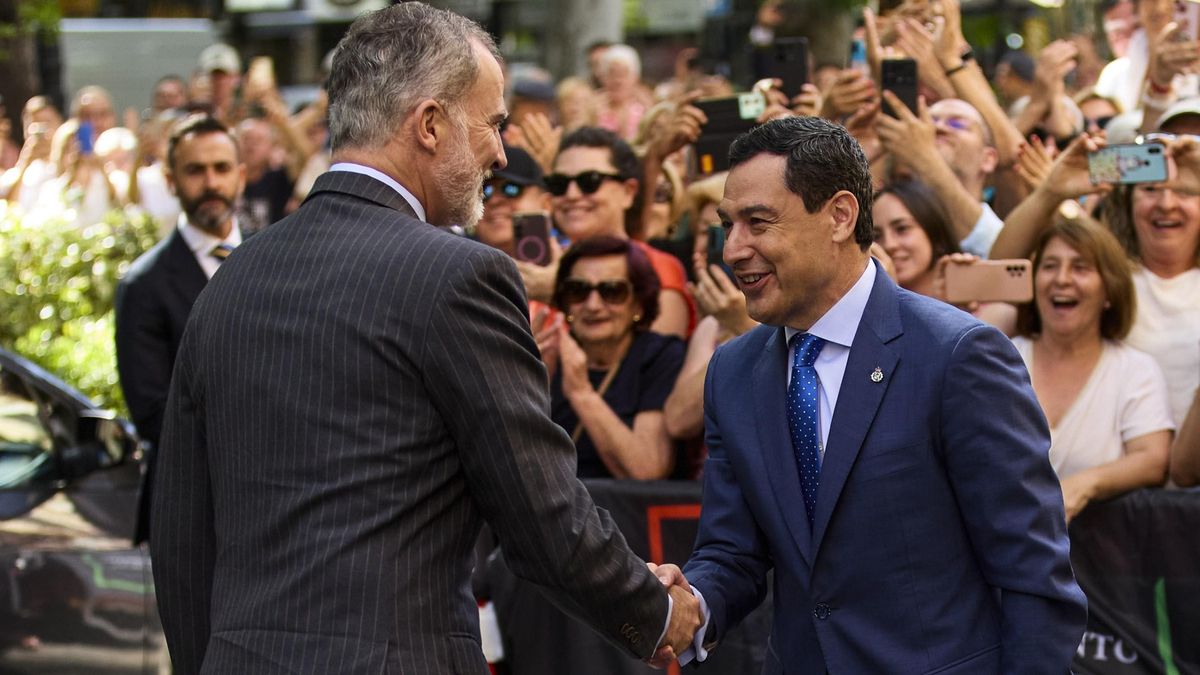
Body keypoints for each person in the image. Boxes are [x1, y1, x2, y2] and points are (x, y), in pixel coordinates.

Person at [148, 5, 698, 673]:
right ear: (431, 125)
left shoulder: (231, 281)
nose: (499, 152)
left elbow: (179, 534)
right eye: (492, 124)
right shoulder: (459, 276)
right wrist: (661, 612)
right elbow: (542, 513)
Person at [650, 116, 1086, 673]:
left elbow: (1034, 577)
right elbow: (731, 552)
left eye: (757, 223)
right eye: (727, 225)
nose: (733, 249)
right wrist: (687, 604)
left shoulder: (958, 356)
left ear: (839, 216)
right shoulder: (732, 372)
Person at [115, 113, 246, 544]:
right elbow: (153, 412)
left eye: (222, 168)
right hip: (189, 511)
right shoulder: (144, 284)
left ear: (241, 175)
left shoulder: (280, 258)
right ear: (171, 181)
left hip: (279, 503)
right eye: (196, 170)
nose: (211, 182)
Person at [1012, 215, 1172, 520]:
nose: (1062, 279)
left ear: (1110, 290)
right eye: (1050, 266)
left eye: (1080, 267)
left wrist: (1084, 485)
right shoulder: (1003, 358)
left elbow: (1153, 459)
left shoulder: (1135, 370)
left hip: (1102, 559)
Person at [544, 236, 685, 480]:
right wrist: (531, 381)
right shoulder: (547, 354)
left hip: (626, 514)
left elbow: (647, 469)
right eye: (578, 291)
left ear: (639, 305)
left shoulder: (660, 355)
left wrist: (581, 394)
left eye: (612, 292)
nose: (593, 305)